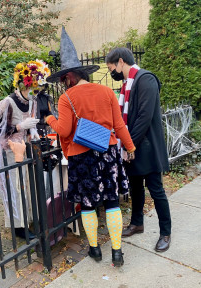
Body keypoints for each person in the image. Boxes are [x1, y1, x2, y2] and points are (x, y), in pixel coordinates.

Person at [45, 27, 136, 266]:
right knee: (112, 201)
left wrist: (49, 119)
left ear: (71, 76)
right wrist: (130, 147)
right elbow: (119, 125)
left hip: (82, 156)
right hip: (108, 152)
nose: (63, 83)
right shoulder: (107, 91)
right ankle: (117, 252)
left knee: (87, 204)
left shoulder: (67, 98)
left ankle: (95, 249)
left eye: (64, 79)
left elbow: (63, 131)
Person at [105, 47, 172, 252]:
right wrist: (126, 145)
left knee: (156, 190)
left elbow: (144, 116)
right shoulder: (127, 84)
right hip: (132, 147)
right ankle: (137, 223)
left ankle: (166, 233)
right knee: (135, 187)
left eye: (111, 68)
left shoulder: (146, 79)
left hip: (147, 147)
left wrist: (129, 143)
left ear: (121, 61)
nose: (112, 73)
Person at [0, 60, 51, 240]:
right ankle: (18, 226)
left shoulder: (32, 102)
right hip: (8, 151)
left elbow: (31, 125)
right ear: (25, 84)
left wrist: (32, 132)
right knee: (14, 188)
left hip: (24, 149)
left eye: (38, 88)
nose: (36, 92)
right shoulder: (7, 103)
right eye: (33, 88)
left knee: (26, 185)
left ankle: (28, 218)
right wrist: (18, 127)